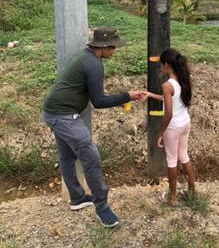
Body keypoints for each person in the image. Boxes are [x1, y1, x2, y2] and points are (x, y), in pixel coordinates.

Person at [43, 26, 143, 227]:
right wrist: (127, 96)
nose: (115, 50)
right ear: (104, 46)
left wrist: (124, 98)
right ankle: (102, 209)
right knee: (91, 157)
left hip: (54, 112)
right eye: (113, 46)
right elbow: (98, 101)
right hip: (63, 116)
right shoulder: (94, 64)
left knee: (67, 157)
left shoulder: (87, 58)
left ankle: (77, 198)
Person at [145, 48, 195, 206]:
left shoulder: (167, 85)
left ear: (167, 65)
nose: (160, 68)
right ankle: (192, 190)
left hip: (173, 127)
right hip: (185, 123)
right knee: (184, 156)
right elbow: (170, 100)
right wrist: (150, 94)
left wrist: (161, 132)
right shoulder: (182, 79)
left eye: (161, 65)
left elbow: (168, 113)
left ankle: (172, 197)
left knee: (172, 160)